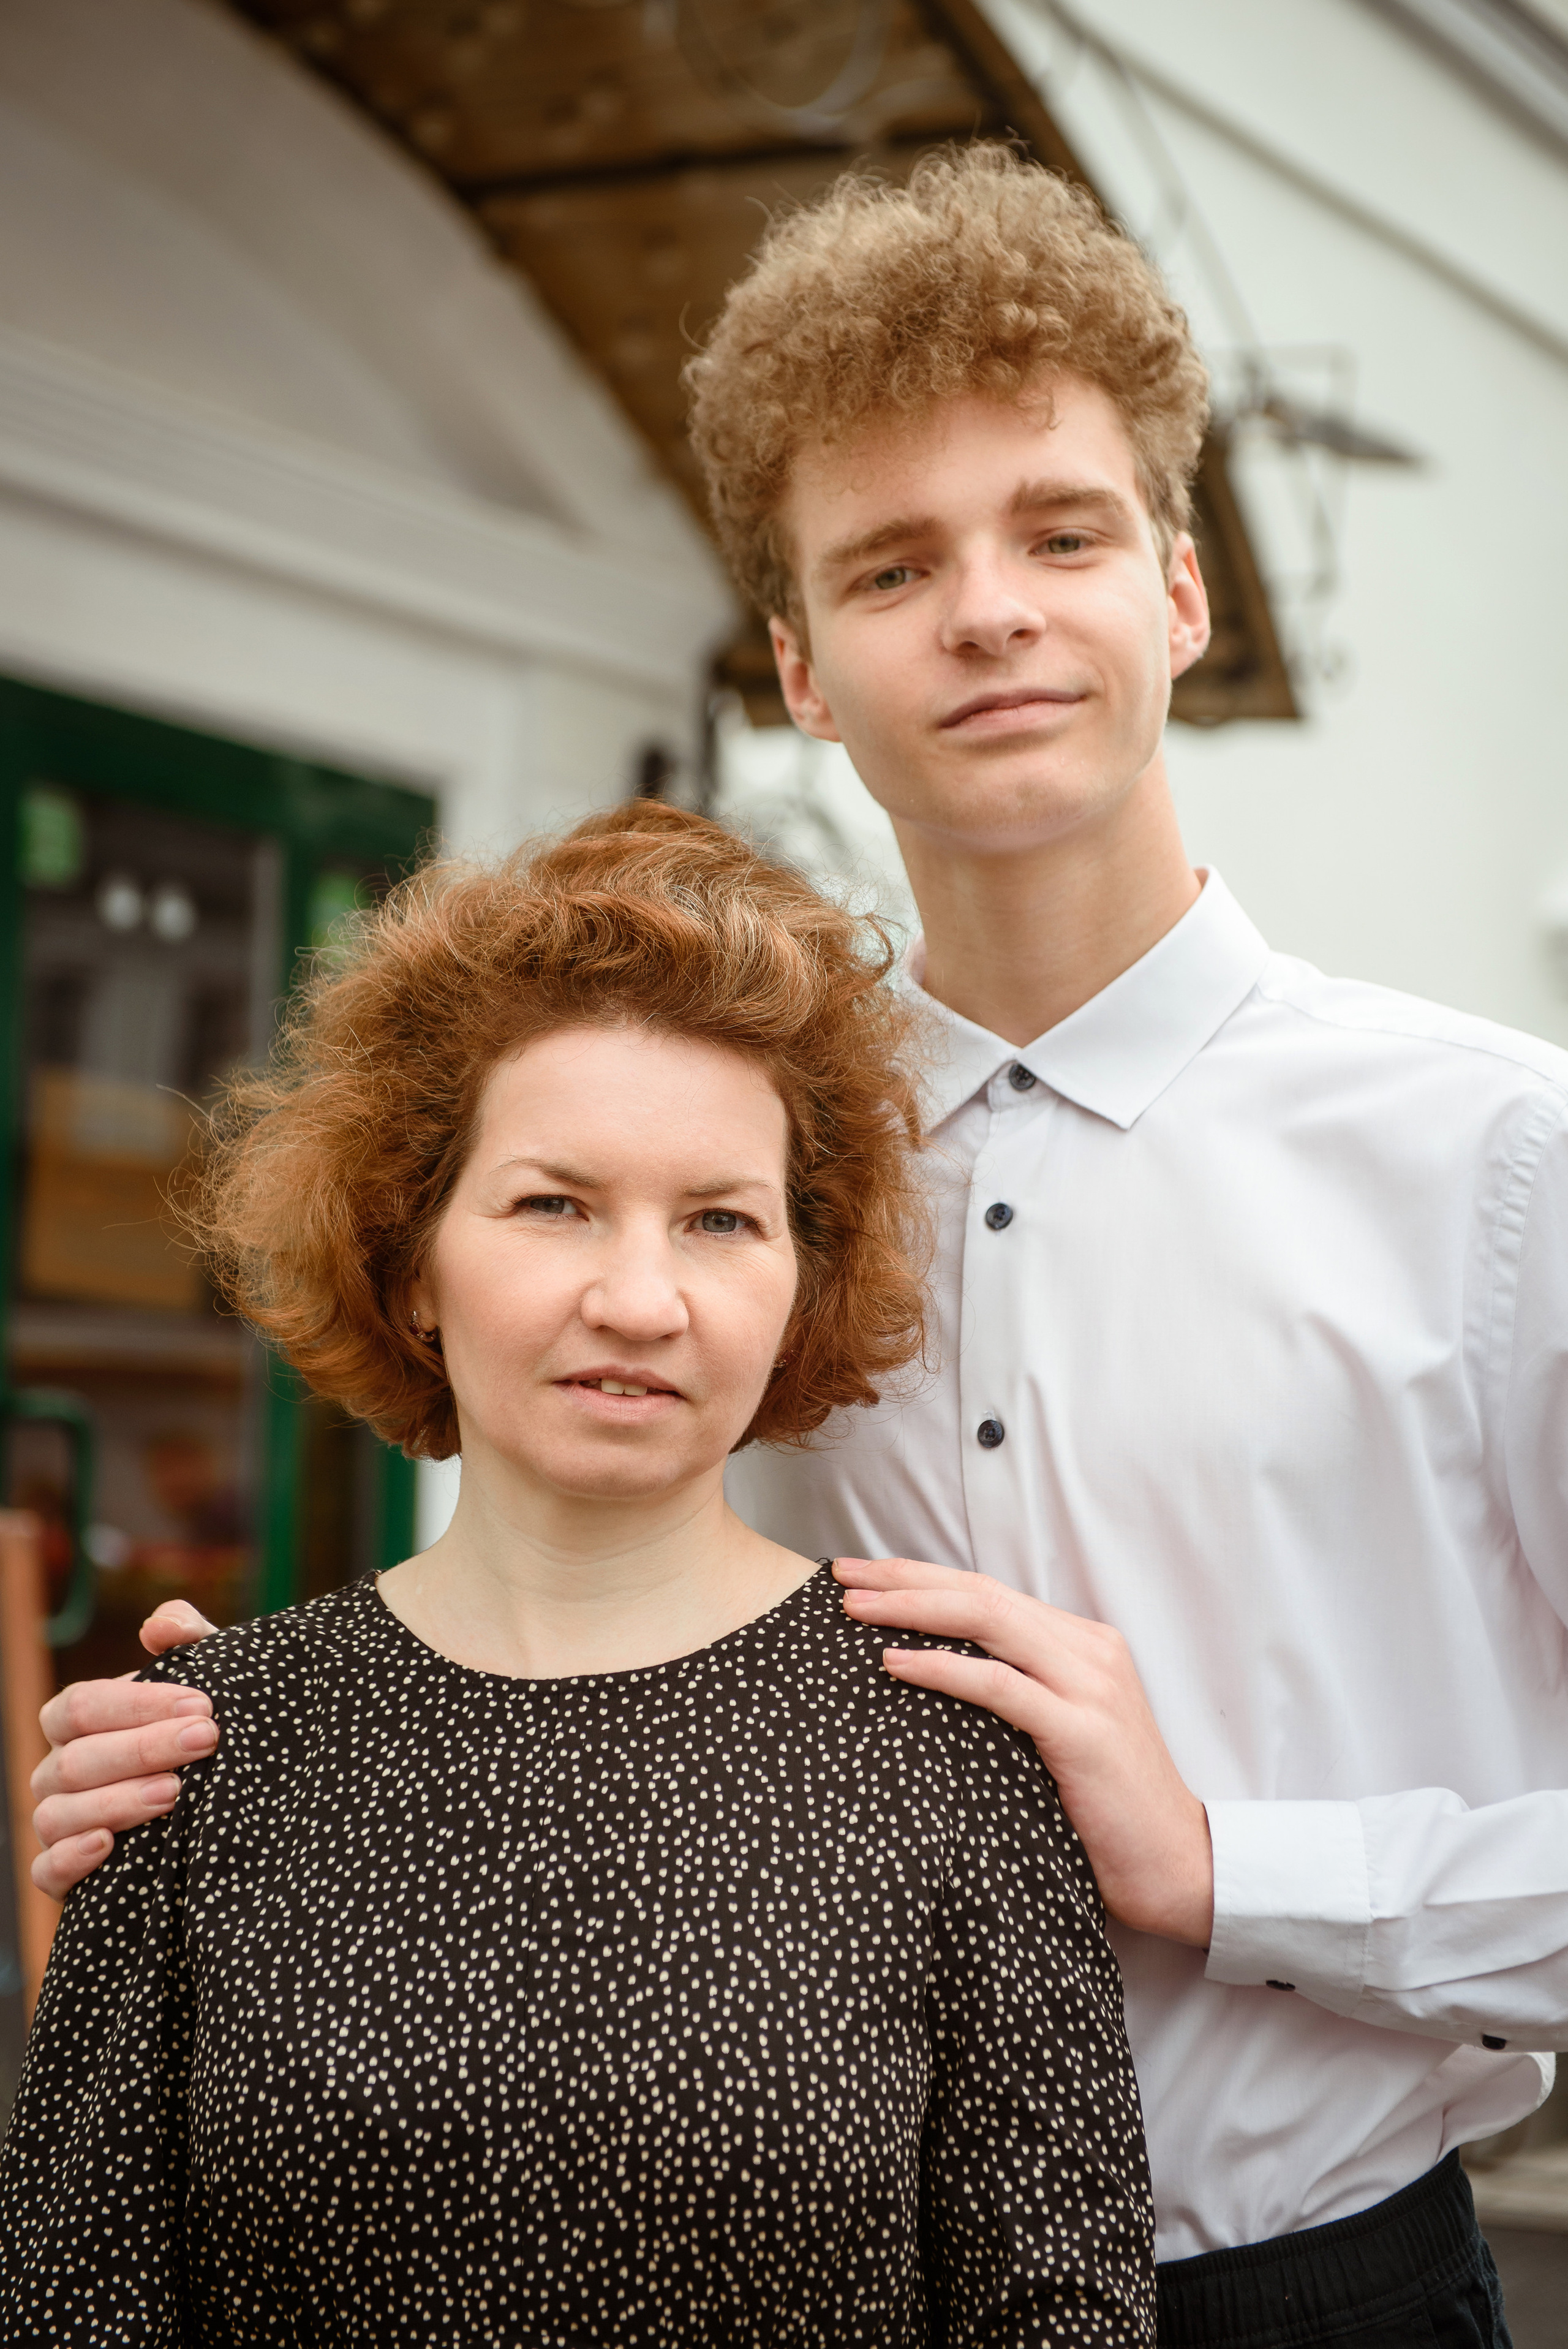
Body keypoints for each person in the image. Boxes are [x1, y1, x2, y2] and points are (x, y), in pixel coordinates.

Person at [32, 143, 1568, 2343]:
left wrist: (1238, 1872)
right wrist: (267, 1775)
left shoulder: (1505, 1159)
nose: (993, 609)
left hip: (1315, 2281)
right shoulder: (732, 1160)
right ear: (803, 668)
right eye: (893, 564)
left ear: (1183, 592)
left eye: (1063, 532)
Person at [2, 808, 1155, 2343]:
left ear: (800, 1285)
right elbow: (76, 2303)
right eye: (554, 1204)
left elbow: (1057, 2312)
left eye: (720, 1222)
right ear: (411, 1263)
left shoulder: (950, 1756)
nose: (638, 1297)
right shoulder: (195, 1750)